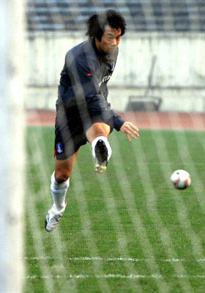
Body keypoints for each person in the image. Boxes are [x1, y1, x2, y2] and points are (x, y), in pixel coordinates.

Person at [45, 10, 140, 232]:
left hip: (96, 112)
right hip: (69, 117)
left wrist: (109, 121)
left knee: (98, 129)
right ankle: (57, 210)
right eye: (110, 37)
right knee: (62, 175)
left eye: (119, 37)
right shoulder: (78, 58)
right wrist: (118, 122)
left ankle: (100, 145)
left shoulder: (112, 51)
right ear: (96, 36)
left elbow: (98, 96)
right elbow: (90, 96)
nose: (116, 42)